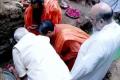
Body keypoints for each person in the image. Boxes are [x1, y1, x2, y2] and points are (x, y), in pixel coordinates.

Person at [71, 2, 120, 80]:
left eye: (91, 19)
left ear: (101, 21)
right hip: (100, 71)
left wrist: (70, 77)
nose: (89, 20)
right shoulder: (117, 30)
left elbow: (84, 67)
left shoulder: (99, 41)